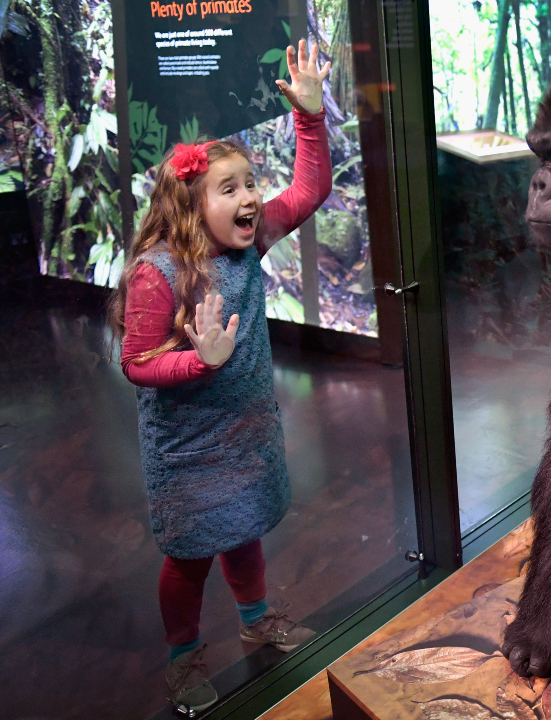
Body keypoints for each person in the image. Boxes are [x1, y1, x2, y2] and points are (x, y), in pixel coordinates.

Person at [108, 39, 332, 714]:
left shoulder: (254, 235)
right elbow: (135, 362)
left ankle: (257, 619)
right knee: (190, 555)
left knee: (245, 529)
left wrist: (311, 119)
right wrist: (197, 360)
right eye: (228, 189)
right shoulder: (158, 272)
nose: (250, 198)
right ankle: (183, 660)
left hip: (246, 432)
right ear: (189, 204)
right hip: (188, 448)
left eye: (250, 184)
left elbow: (310, 188)